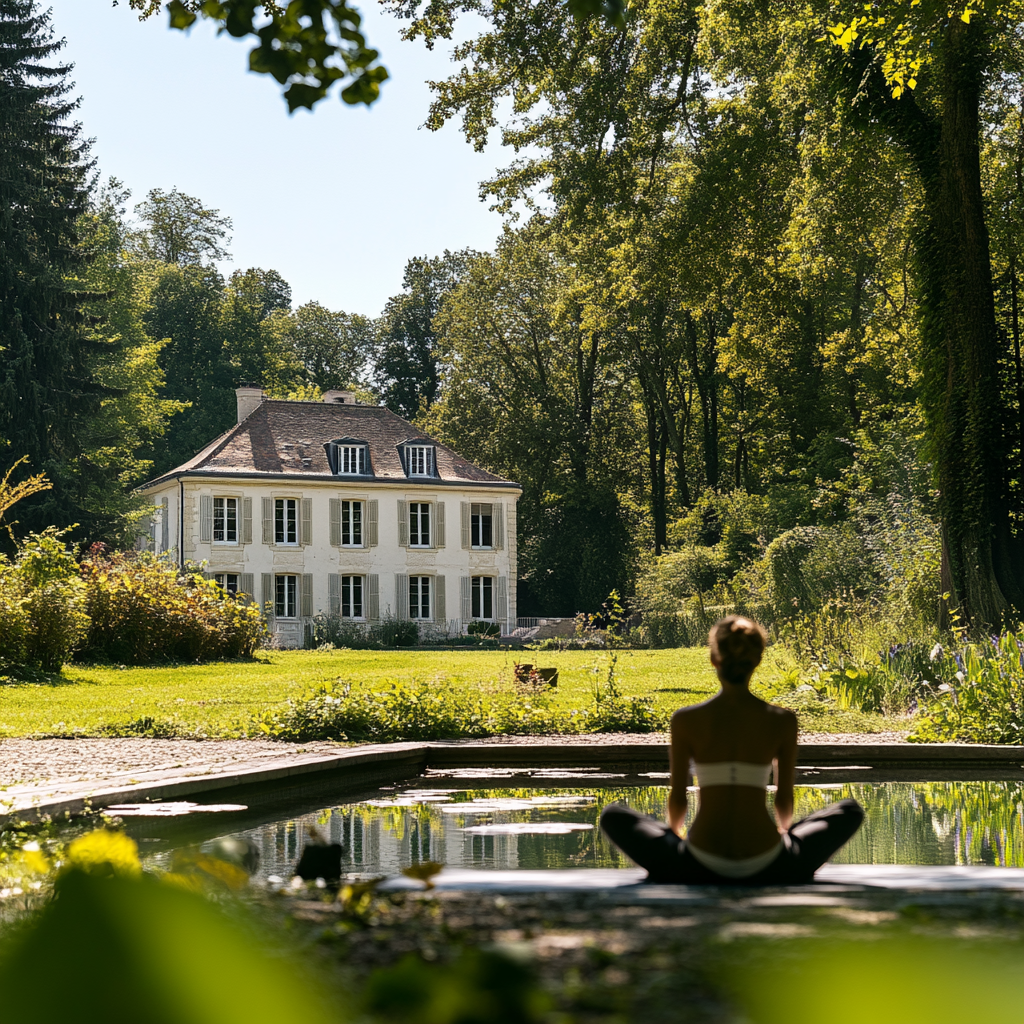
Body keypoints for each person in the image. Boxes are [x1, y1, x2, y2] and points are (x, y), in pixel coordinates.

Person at [601, 615, 863, 884]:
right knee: (849, 810)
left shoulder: (686, 720)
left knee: (613, 815)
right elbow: (783, 800)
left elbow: (678, 799)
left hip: (696, 864)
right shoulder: (782, 720)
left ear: (714, 659)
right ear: (757, 660)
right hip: (771, 863)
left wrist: (674, 837)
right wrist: (785, 832)